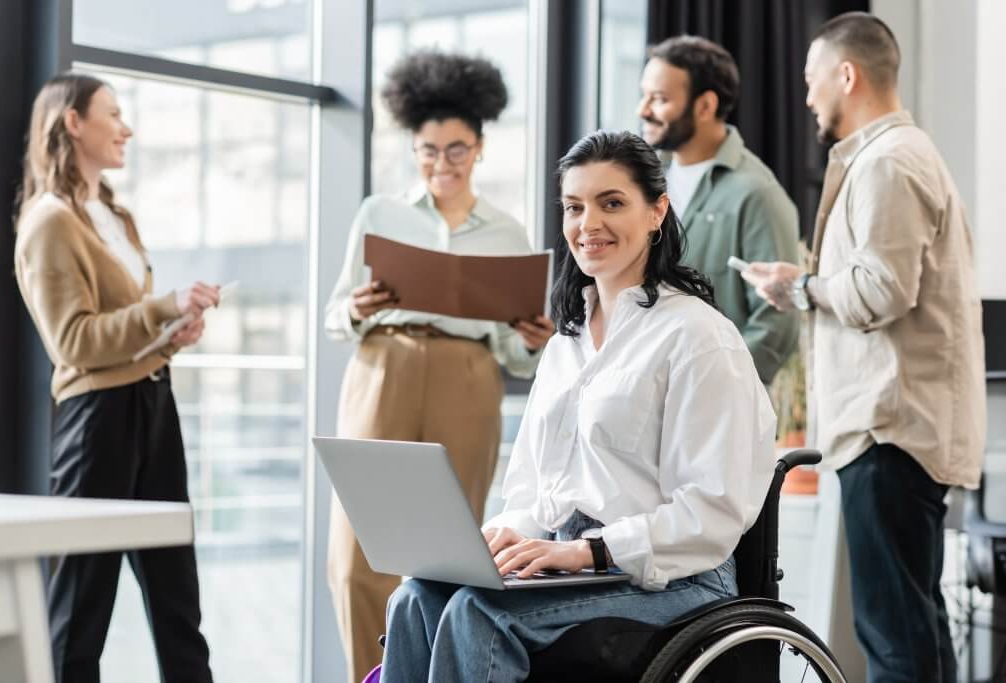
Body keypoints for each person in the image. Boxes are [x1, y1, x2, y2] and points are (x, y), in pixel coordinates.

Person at [379, 130, 776, 682]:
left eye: (611, 203)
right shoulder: (566, 341)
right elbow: (533, 486)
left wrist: (590, 553)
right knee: (416, 597)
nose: (588, 224)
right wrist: (509, 533)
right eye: (574, 207)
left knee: (479, 615)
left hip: (675, 578)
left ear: (657, 210)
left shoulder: (698, 336)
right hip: (571, 566)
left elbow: (710, 512)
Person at [741, 13, 985, 683]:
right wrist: (805, 285)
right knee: (915, 624)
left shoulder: (889, 161)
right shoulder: (900, 156)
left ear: (847, 75)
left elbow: (880, 292)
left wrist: (805, 287)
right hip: (899, 426)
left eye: (812, 79)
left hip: (889, 428)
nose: (809, 95)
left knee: (893, 636)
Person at [323, 50, 555, 683]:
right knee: (354, 555)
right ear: (414, 149)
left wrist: (534, 338)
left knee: (451, 550)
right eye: (428, 151)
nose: (441, 164)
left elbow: (515, 352)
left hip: (468, 377)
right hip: (383, 368)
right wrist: (358, 306)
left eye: (455, 150)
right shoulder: (379, 214)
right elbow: (334, 316)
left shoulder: (506, 231)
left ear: (478, 148)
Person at [14, 73, 218, 682]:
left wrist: (169, 336)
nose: (125, 127)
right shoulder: (50, 221)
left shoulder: (115, 216)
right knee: (80, 613)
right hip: (97, 420)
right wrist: (163, 308)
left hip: (154, 405)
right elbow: (73, 341)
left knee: (178, 601)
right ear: (73, 122)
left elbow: (124, 330)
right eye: (113, 113)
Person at [636, 35, 799, 385]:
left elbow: (778, 321)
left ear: (705, 106)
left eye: (660, 99)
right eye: (644, 95)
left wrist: (718, 383)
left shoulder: (757, 193)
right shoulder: (642, 184)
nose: (643, 110)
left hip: (716, 407)